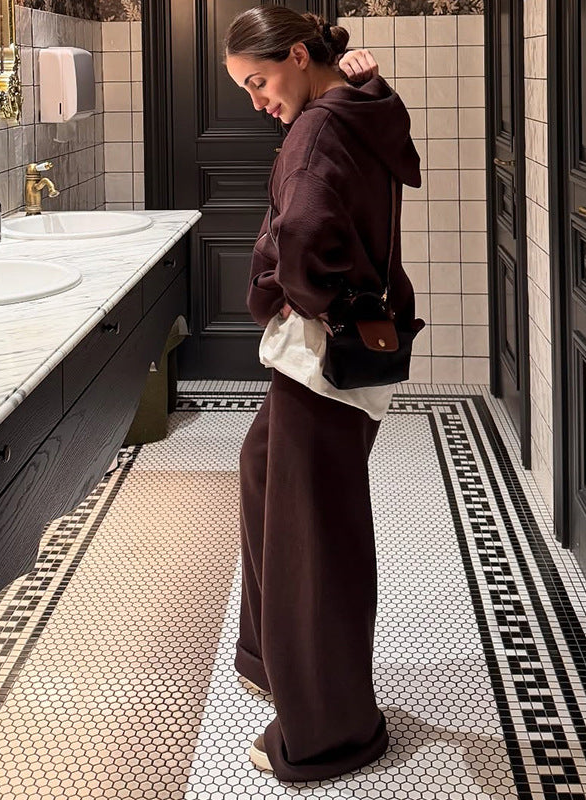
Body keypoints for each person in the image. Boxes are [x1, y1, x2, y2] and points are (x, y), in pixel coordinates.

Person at [224, 6, 421, 782]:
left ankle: (330, 732)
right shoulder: (359, 106)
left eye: (259, 81)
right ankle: (270, 659)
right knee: (261, 467)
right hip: (340, 349)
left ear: (299, 56)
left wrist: (289, 293)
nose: (257, 101)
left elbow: (304, 229)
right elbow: (391, 145)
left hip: (321, 352)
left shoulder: (314, 130)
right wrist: (364, 79)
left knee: (315, 542)